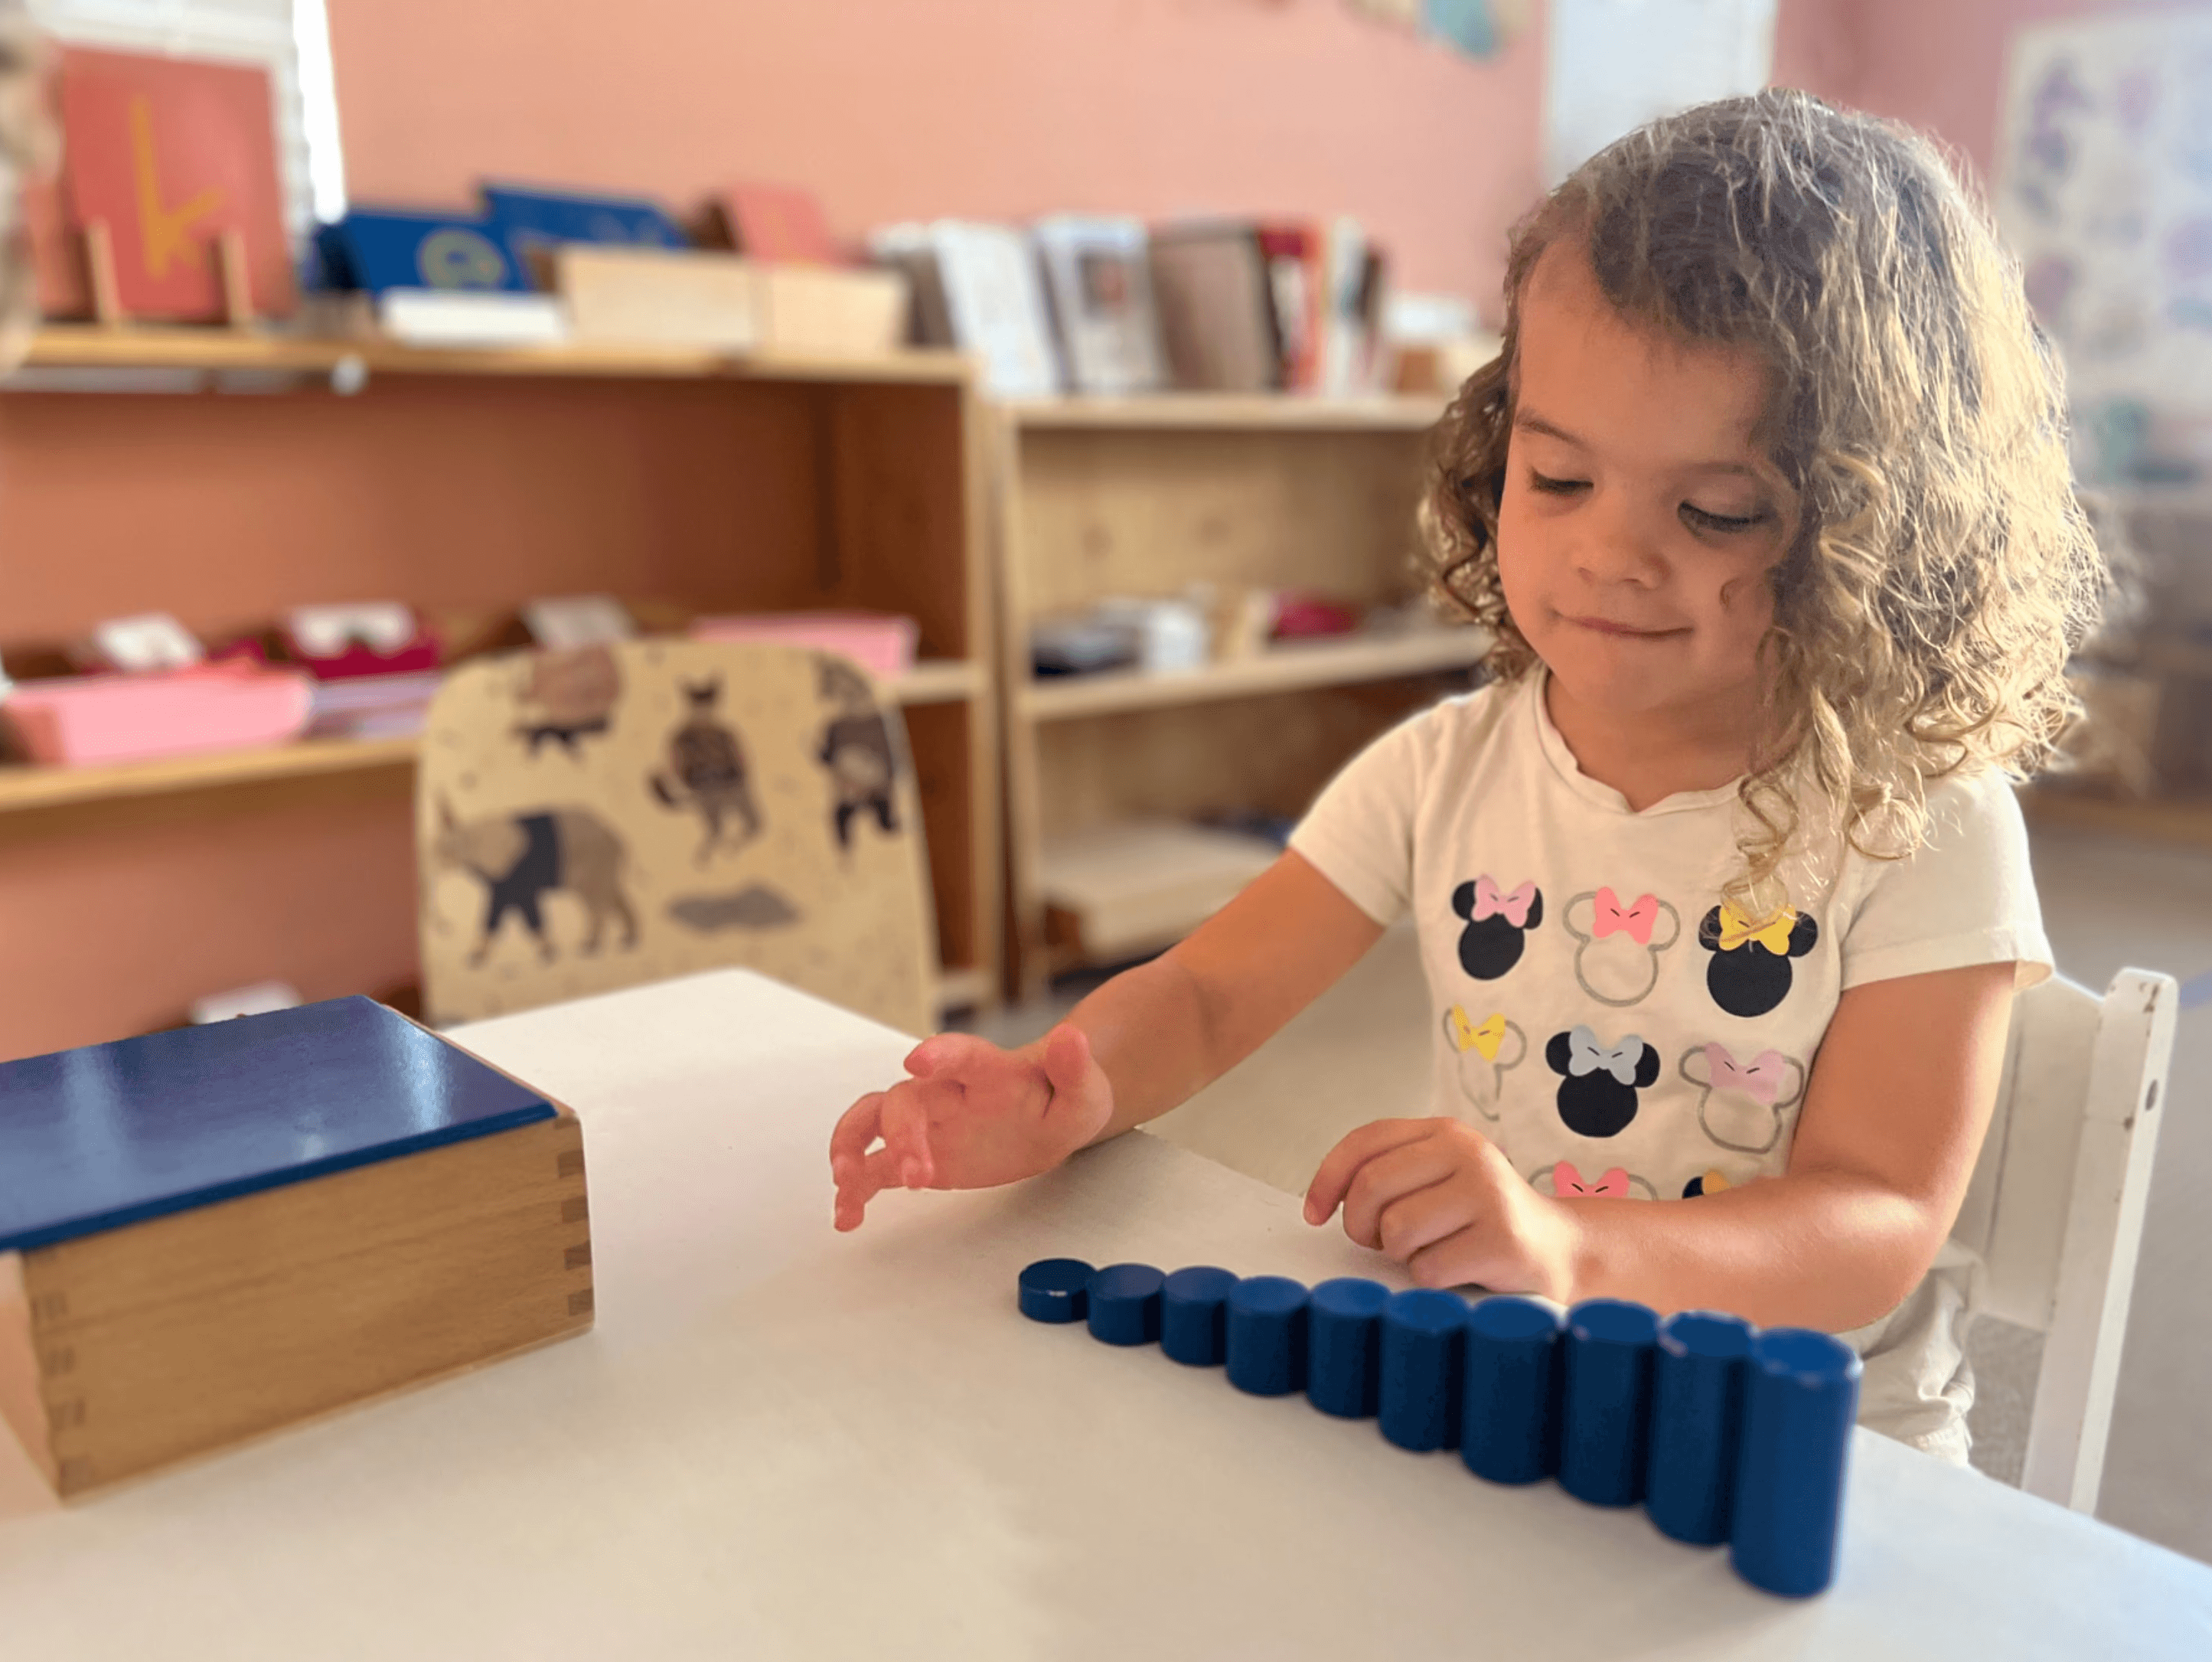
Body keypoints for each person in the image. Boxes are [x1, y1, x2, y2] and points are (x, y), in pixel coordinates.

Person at [829, 90, 2103, 1460]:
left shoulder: (1922, 822)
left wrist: (1574, 1246)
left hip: (1806, 1442)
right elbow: (1206, 994)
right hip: (1512, 1376)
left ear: (1881, 530)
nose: (1610, 555)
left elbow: (1874, 1223)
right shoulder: (1448, 768)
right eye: (1558, 478)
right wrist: (1063, 1089)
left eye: (1716, 510)